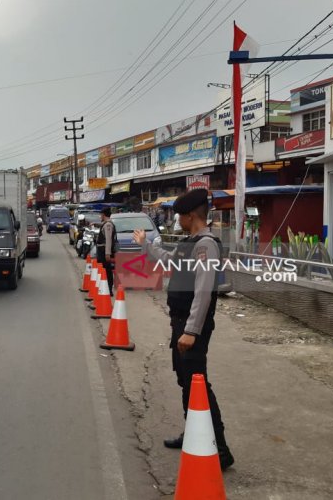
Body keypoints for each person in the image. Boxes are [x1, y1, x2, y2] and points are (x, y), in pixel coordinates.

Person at [133, 188, 234, 470]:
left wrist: (191, 331)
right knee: (186, 381)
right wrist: (145, 244)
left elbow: (203, 292)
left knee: (198, 383)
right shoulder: (190, 242)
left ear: (191, 216)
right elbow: (167, 260)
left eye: (179, 216)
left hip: (193, 328)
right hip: (180, 323)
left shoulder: (206, 245)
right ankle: (193, 433)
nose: (177, 220)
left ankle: (221, 450)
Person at [95, 207, 117, 295]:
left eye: (101, 214)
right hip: (102, 251)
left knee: (106, 271)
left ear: (103, 215)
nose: (100, 216)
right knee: (103, 270)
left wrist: (107, 253)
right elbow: (102, 225)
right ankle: (105, 288)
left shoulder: (108, 225)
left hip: (104, 252)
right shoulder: (106, 224)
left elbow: (108, 240)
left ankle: (108, 289)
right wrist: (95, 224)